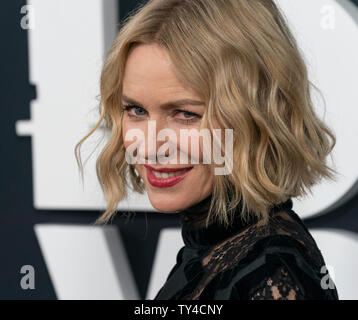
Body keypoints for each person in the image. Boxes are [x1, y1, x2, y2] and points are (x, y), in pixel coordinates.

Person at [75, 0, 339, 300]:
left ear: (255, 117)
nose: (149, 145)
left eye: (186, 114)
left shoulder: (271, 276)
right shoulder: (212, 249)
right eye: (135, 110)